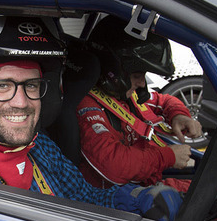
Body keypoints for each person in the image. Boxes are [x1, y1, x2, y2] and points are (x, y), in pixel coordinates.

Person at [0, 15, 182, 221]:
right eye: (2, 86)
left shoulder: (38, 145)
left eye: (32, 85)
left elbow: (84, 197)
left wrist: (137, 197)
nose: (21, 102)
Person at [77, 15, 203, 190]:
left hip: (144, 184)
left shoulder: (126, 96)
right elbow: (113, 165)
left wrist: (179, 116)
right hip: (119, 200)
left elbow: (164, 101)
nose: (142, 84)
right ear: (113, 71)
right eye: (137, 75)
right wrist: (166, 157)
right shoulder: (87, 106)